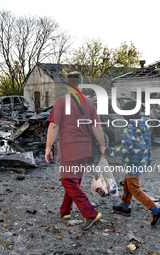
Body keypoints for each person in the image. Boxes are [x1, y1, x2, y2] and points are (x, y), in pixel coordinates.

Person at [45, 71, 106, 230]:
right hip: (84, 150)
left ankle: (91, 214)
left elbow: (53, 126)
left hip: (69, 149)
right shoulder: (90, 103)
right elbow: (96, 126)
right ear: (81, 84)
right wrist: (102, 145)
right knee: (74, 180)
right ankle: (65, 211)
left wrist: (48, 147)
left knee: (68, 182)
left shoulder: (60, 102)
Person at [101, 100, 160, 227]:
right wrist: (149, 159)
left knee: (133, 187)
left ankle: (157, 210)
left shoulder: (130, 126)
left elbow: (126, 148)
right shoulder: (144, 123)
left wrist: (108, 151)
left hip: (132, 162)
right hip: (141, 160)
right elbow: (148, 143)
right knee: (128, 184)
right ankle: (125, 207)